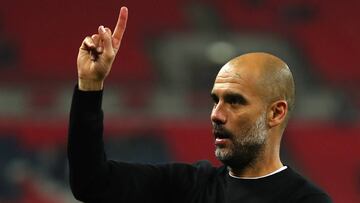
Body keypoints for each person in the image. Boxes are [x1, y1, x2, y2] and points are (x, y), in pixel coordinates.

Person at [67, 7, 331, 203]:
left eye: (235, 102)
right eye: (216, 100)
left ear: (275, 112)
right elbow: (91, 183)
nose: (216, 114)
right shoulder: (189, 186)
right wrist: (90, 85)